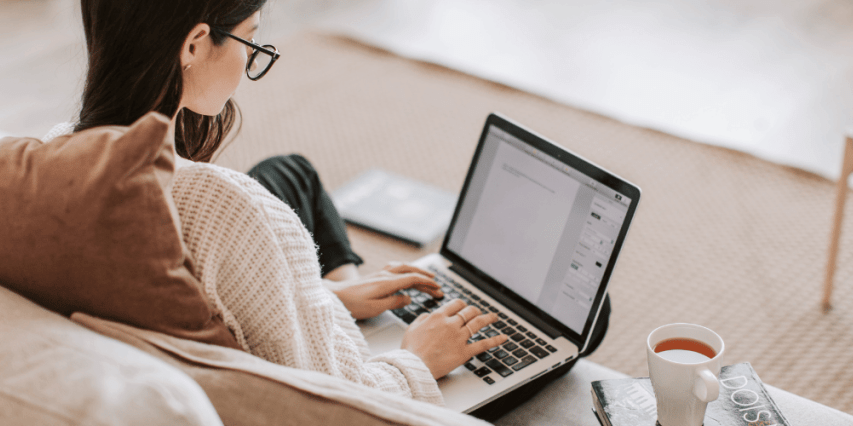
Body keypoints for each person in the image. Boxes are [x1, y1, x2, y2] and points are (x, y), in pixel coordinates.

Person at [50, 0, 509, 405]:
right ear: (192, 45)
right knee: (296, 185)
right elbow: (338, 400)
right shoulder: (228, 207)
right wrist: (418, 358)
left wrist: (329, 297)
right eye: (248, 39)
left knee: (290, 171)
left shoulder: (50, 153)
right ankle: (345, 302)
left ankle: (337, 285)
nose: (250, 56)